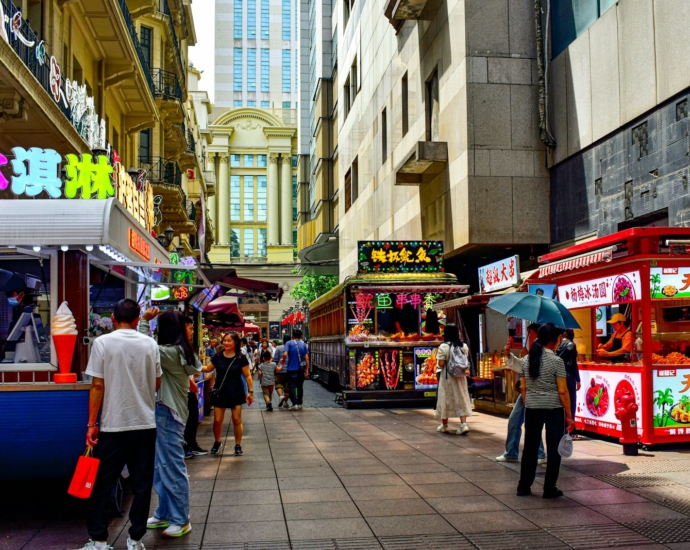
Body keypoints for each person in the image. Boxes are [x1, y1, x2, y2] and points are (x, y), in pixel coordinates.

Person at [80, 299, 161, 550]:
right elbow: (156, 383)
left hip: (113, 426)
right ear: (138, 320)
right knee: (142, 484)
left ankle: (100, 541)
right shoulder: (150, 344)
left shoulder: (102, 343)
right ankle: (136, 539)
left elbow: (97, 385)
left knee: (103, 484)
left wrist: (91, 423)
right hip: (145, 425)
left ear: (113, 318)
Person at [141, 309, 200, 538]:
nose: (191, 329)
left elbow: (146, 347)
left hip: (168, 411)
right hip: (169, 410)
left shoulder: (169, 353)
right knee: (162, 465)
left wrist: (145, 322)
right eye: (187, 326)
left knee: (171, 466)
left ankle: (180, 519)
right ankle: (164, 512)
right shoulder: (179, 351)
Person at [517, 323, 575, 499]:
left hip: (533, 409)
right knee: (553, 448)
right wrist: (569, 416)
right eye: (559, 338)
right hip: (553, 409)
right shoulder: (557, 361)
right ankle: (549, 488)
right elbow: (563, 391)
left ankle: (523, 486)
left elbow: (523, 387)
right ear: (553, 341)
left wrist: (530, 404)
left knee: (530, 448)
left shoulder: (527, 360)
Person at [497, 323, 547, 464]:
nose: (530, 337)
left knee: (532, 422)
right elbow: (519, 366)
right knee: (515, 419)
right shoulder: (531, 353)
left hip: (535, 392)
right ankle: (511, 452)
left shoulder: (545, 352)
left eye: (531, 334)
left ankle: (540, 453)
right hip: (527, 391)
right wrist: (508, 355)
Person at [203, 332, 253, 455]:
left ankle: (238, 445)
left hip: (236, 391)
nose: (226, 342)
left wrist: (250, 392)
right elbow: (208, 368)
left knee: (236, 420)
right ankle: (217, 441)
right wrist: (192, 366)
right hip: (220, 391)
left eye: (229, 340)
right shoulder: (218, 356)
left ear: (235, 342)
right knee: (217, 420)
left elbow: (248, 376)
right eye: (224, 340)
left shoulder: (241, 358)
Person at [435, 324, 473, 435]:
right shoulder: (464, 346)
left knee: (445, 397)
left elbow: (441, 364)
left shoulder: (444, 347)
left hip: (448, 378)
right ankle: (463, 424)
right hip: (460, 377)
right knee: (461, 397)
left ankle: (444, 425)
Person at [557, 329, 581, 438]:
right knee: (571, 403)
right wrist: (578, 379)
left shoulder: (558, 344)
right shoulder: (571, 345)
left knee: (562, 403)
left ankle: (562, 429)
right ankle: (571, 430)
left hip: (559, 376)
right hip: (569, 376)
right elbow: (573, 363)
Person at [282, 328, 309, 411]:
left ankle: (295, 404)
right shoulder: (304, 345)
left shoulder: (288, 343)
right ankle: (300, 403)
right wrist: (307, 370)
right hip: (301, 370)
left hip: (291, 369)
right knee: (300, 387)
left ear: (292, 335)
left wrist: (282, 360)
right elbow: (307, 358)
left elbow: (285, 354)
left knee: (292, 387)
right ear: (301, 336)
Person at [273, 335, 290, 407]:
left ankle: (281, 396)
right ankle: (285, 402)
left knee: (278, 385)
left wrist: (275, 368)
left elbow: (275, 360)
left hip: (280, 369)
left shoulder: (278, 348)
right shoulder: (292, 348)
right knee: (287, 388)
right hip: (289, 370)